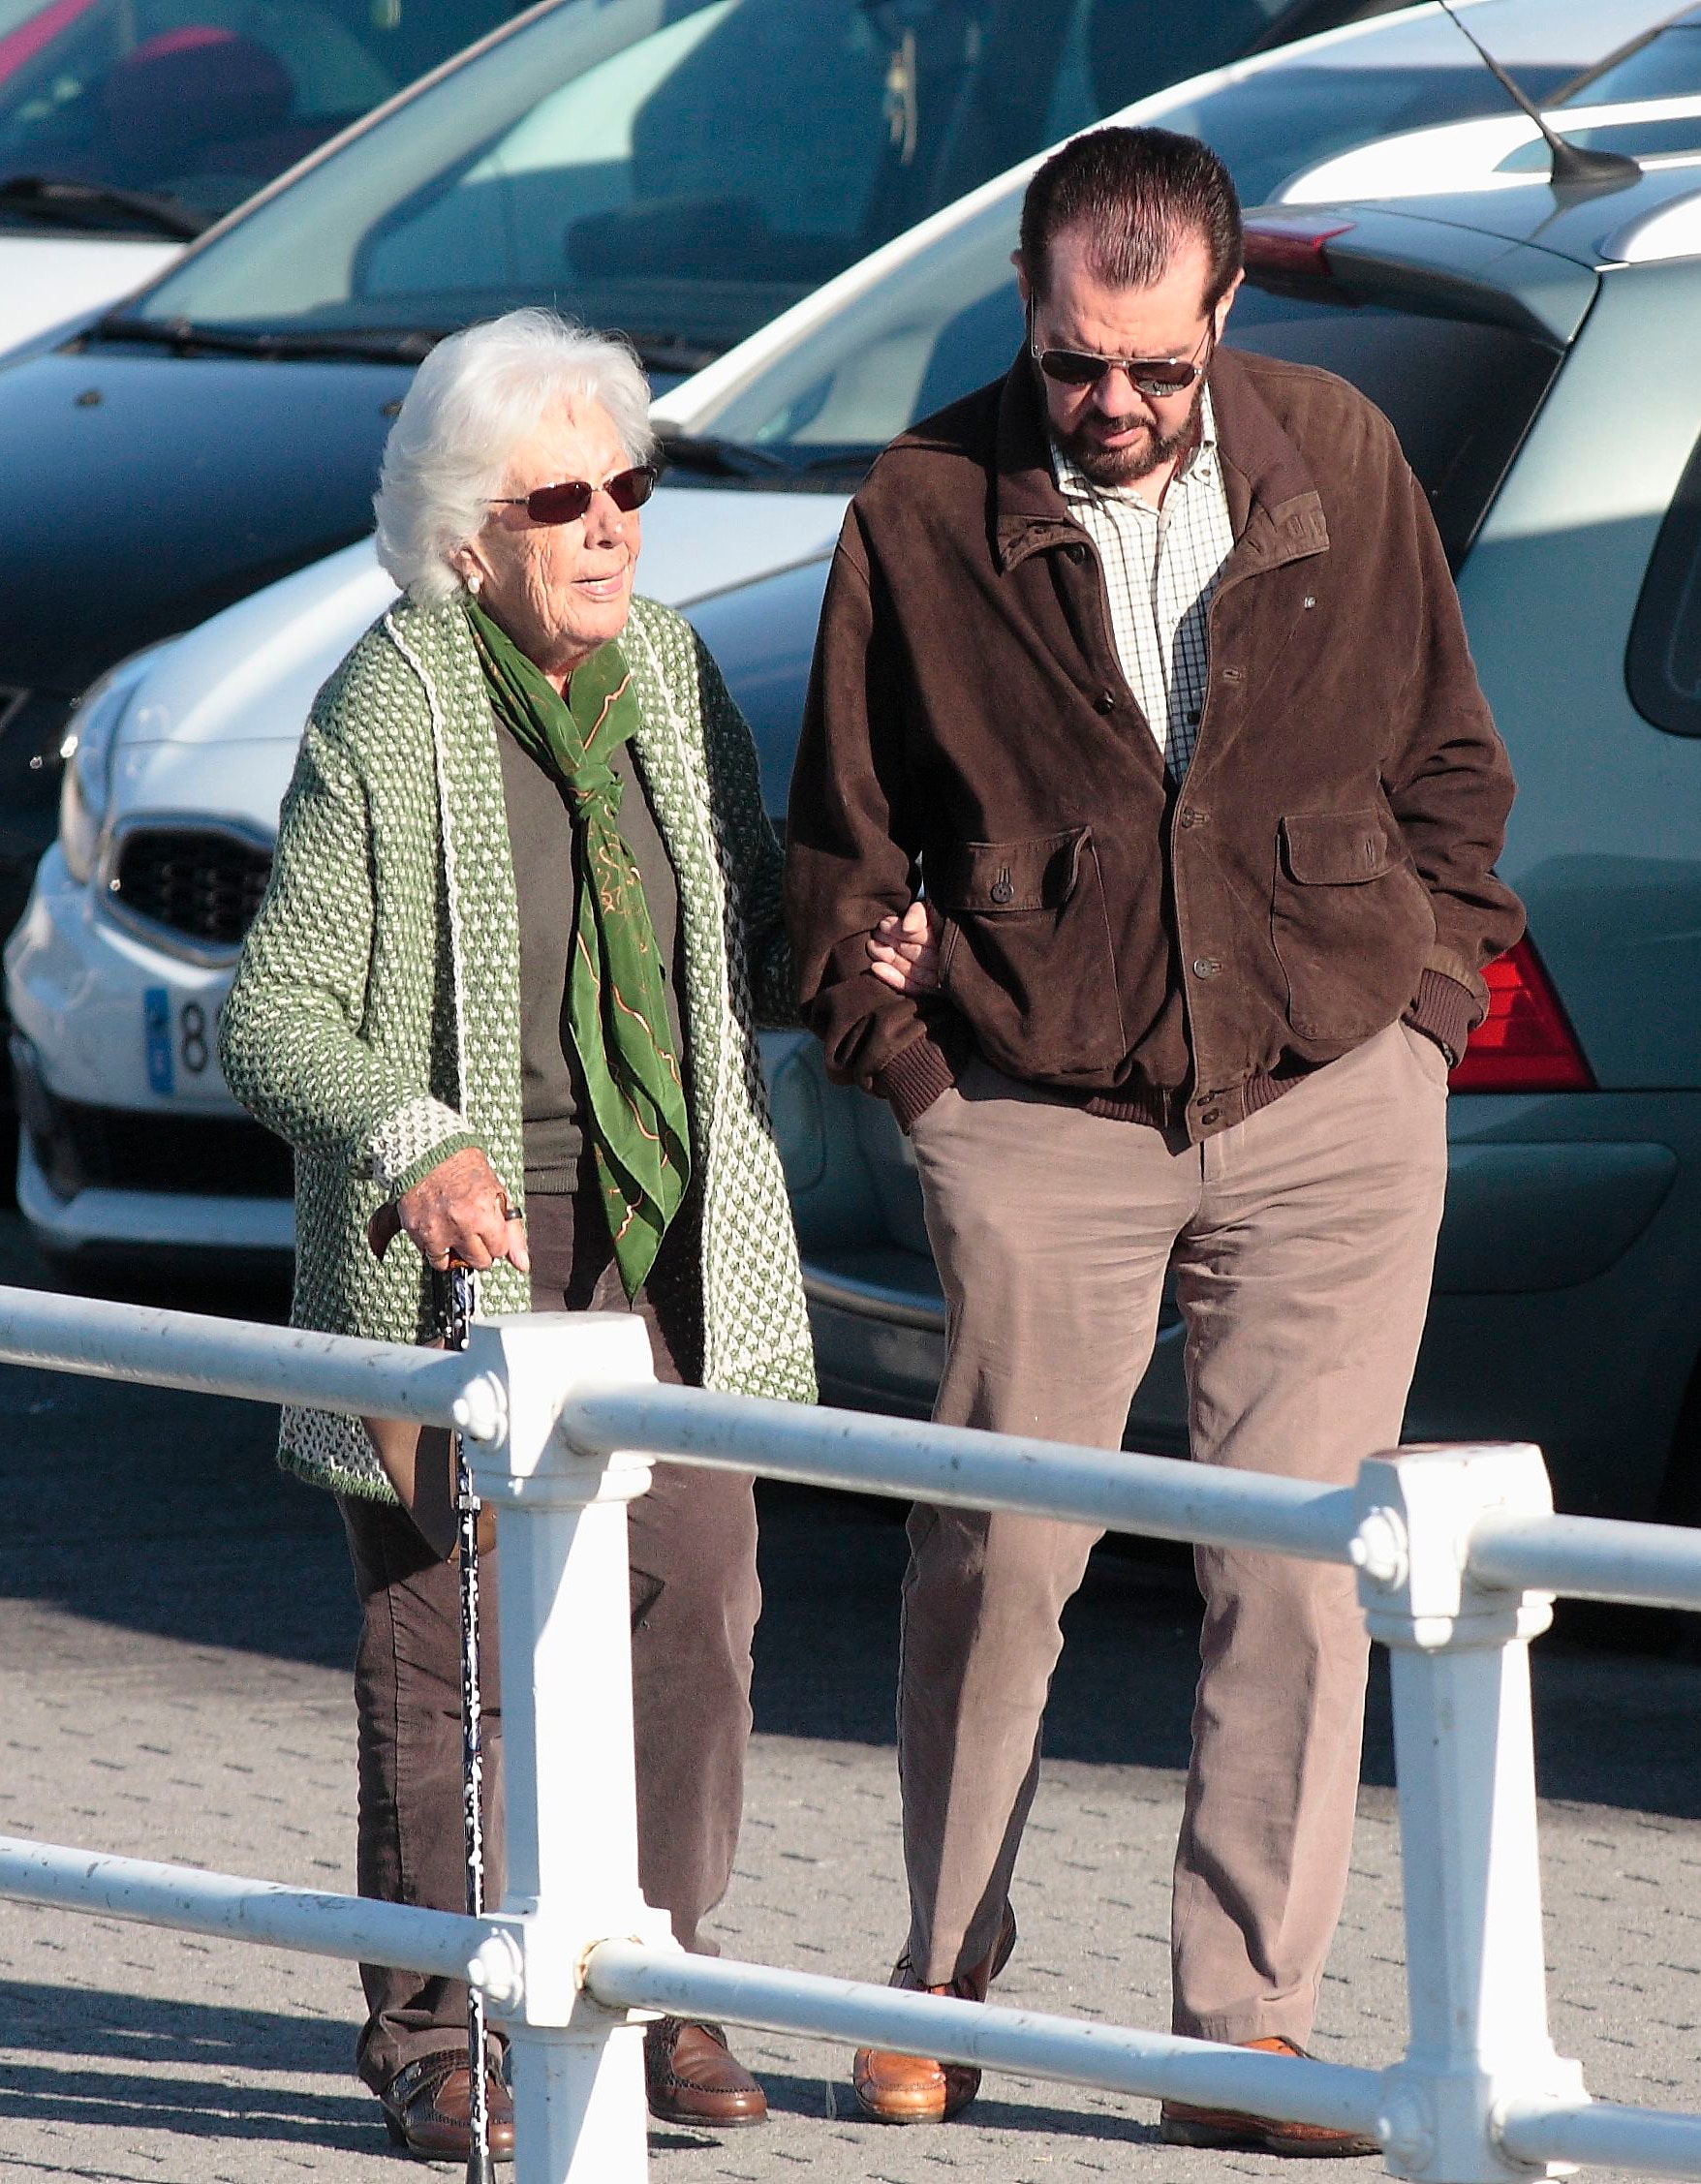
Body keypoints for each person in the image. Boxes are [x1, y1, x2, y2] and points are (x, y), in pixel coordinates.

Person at [784, 126, 1524, 2153]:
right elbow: (835, 858)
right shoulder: (922, 508)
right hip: (1036, 1118)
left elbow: (1452, 764)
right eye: (1069, 362)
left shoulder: (1338, 463)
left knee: (1290, 1581)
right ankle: (937, 1977)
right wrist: (926, 1086)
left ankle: (1239, 2036)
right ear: (1024, 317)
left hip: (1325, 1105)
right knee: (998, 1562)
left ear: (1223, 321)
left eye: (1152, 367)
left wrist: (1423, 1026)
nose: (1108, 405)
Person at [220, 309, 819, 2160]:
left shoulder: (675, 671)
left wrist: (859, 951)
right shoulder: (389, 703)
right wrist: (414, 1139)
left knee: (697, 1603)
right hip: (454, 1250)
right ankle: (428, 2024)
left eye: (628, 484)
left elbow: (756, 921)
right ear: (464, 530)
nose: (609, 525)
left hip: (667, 1232)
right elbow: (278, 1013)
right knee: (440, 1636)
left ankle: (654, 1970)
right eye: (561, 496)